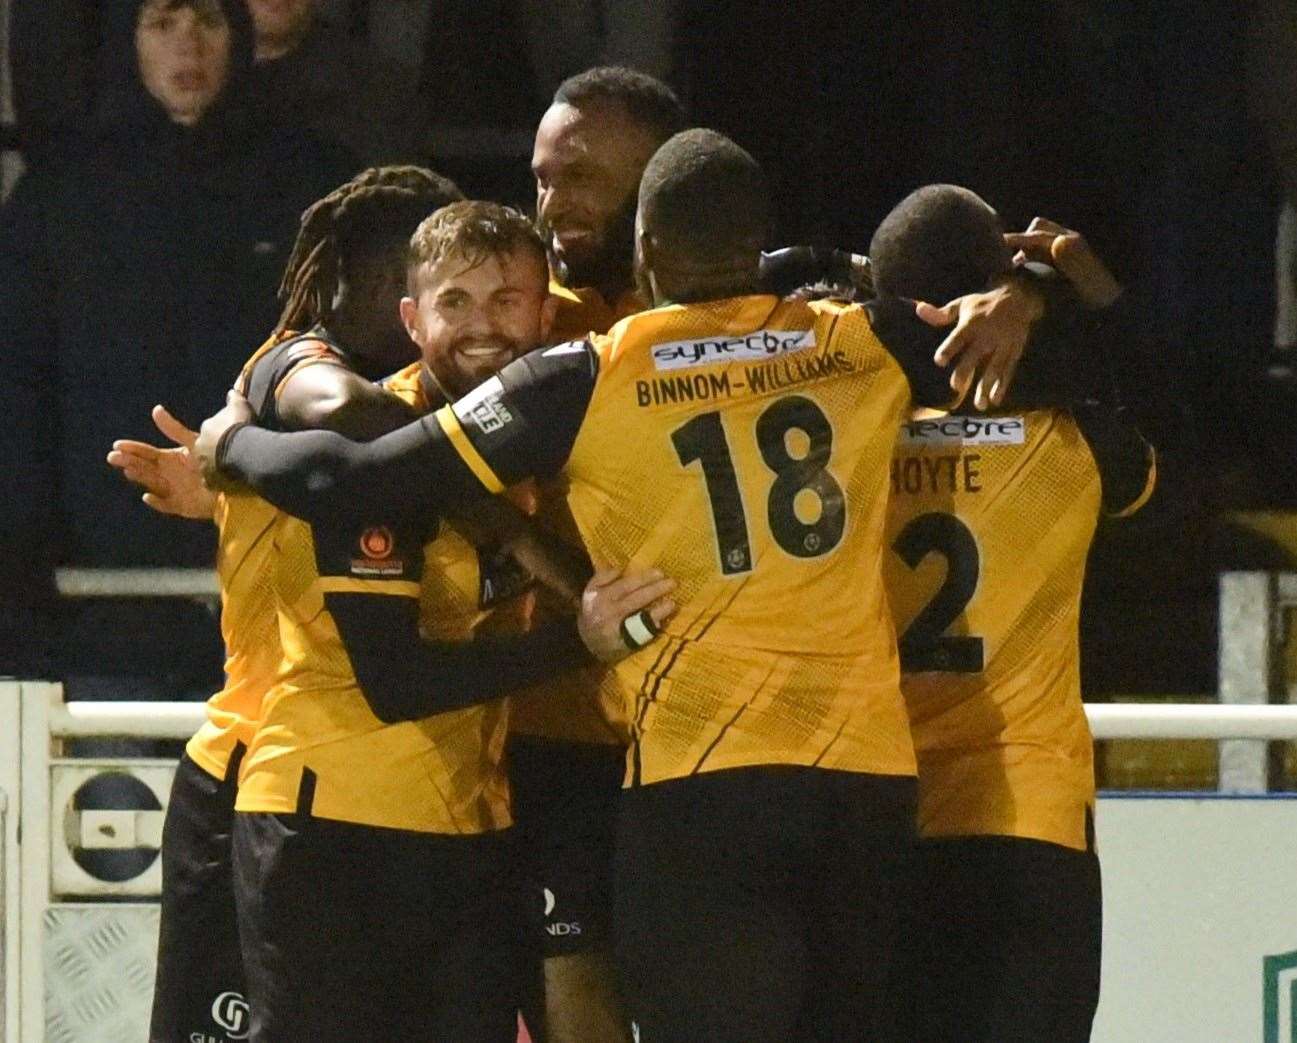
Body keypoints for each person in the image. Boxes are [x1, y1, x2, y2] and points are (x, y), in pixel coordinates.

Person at [193, 128, 1116, 1041]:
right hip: (861, 795)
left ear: (645, 252)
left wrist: (229, 442)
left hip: (701, 786)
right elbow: (1087, 361)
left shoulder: (590, 371)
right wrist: (1026, 295)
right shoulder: (862, 339)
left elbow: (361, 479)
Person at [231, 198, 673, 1042]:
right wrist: (577, 642)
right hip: (334, 827)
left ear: (547, 313)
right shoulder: (378, 459)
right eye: (455, 303)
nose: (483, 327)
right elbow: (396, 682)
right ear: (410, 317)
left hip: (471, 827)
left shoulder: (547, 439)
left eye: (506, 300)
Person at [107, 164, 464, 1043]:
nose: (427, 316)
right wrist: (491, 503)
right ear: (367, 284)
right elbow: (344, 413)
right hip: (250, 775)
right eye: (411, 287)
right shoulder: (293, 364)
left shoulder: (420, 399)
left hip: (381, 791)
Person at [0, 0, 353, 690]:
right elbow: (17, 386)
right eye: (162, 23)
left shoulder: (310, 183)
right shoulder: (58, 197)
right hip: (92, 605)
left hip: (275, 595)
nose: (188, 46)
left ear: (241, 38)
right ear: (125, 41)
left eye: (210, 23)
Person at [873, 185, 1154, 1043]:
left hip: (884, 818)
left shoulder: (845, 431)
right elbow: (1169, 423)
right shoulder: (1075, 441)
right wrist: (1056, 291)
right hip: (1029, 821)